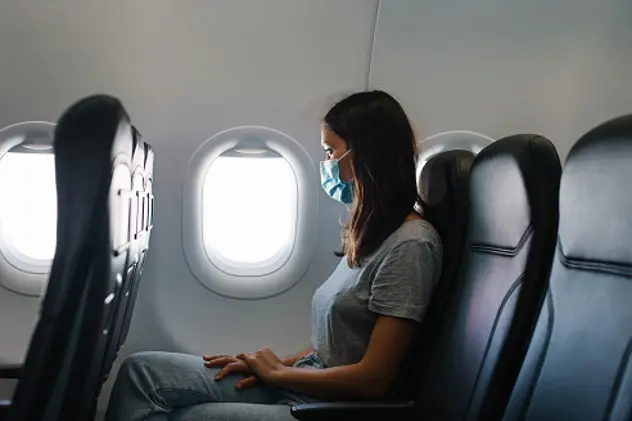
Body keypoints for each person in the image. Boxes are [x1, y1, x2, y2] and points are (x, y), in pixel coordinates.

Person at [104, 90, 442, 421]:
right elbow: (338, 346)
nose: (325, 165)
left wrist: (279, 376)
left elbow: (372, 380)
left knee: (192, 416)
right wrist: (275, 365)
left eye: (330, 152)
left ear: (364, 155)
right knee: (142, 372)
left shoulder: (410, 247)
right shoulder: (372, 234)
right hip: (309, 382)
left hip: (333, 405)